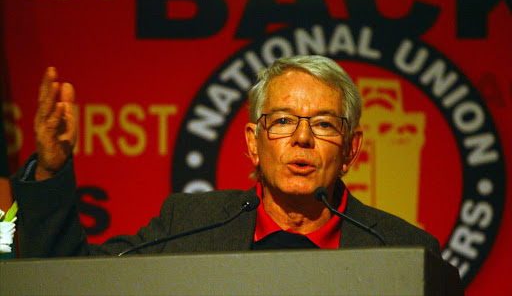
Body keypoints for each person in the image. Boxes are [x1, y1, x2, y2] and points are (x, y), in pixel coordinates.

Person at [11, 55, 440, 257]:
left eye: (325, 124)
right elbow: (70, 278)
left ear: (351, 149)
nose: (303, 138)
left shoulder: (403, 250)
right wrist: (51, 170)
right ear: (254, 142)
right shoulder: (189, 226)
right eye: (284, 121)